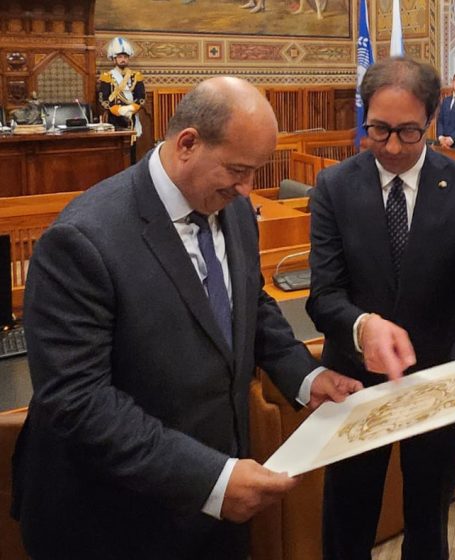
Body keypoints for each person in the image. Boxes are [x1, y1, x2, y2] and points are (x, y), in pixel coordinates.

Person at [11, 76, 362, 559]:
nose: (247, 189)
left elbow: (250, 306)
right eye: (238, 170)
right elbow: (79, 402)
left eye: (255, 172)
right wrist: (211, 480)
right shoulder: (83, 240)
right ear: (188, 144)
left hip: (213, 506)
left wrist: (306, 377)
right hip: (113, 520)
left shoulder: (233, 209)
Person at [307, 56, 455, 560]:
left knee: (428, 528)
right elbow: (324, 296)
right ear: (364, 117)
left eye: (408, 132)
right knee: (347, 525)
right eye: (378, 130)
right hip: (354, 386)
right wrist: (362, 327)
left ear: (432, 120)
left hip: (435, 389)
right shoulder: (333, 187)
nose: (391, 147)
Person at [99, 37, 145, 138]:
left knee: (132, 148)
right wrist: (118, 110)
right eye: (120, 57)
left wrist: (132, 108)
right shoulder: (107, 77)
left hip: (131, 116)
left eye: (125, 57)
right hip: (114, 119)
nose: (123, 60)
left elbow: (141, 98)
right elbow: (104, 99)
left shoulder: (136, 76)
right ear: (114, 59)